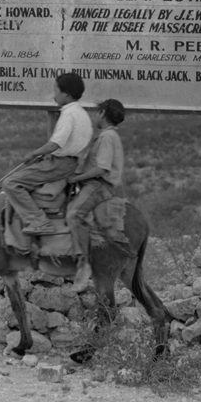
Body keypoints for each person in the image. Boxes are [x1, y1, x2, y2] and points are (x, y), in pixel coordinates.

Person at [4, 72, 93, 235]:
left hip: (60, 163)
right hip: (70, 161)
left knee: (11, 183)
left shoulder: (68, 114)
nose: (54, 96)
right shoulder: (81, 113)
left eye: (56, 91)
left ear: (66, 94)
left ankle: (39, 222)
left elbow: (56, 143)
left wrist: (34, 154)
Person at [65, 98, 126, 292]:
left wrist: (77, 178)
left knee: (73, 215)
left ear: (102, 113)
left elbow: (101, 168)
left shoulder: (107, 137)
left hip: (99, 186)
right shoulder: (107, 136)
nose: (95, 115)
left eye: (97, 111)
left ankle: (84, 265)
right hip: (95, 183)